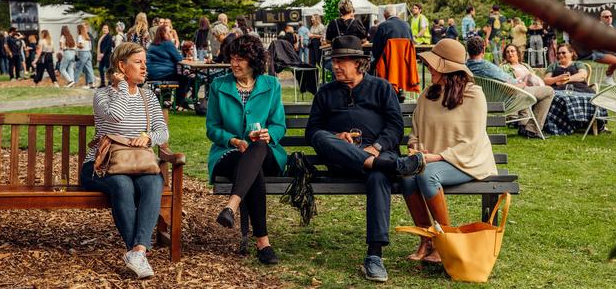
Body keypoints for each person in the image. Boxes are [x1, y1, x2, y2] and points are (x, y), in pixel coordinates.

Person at [305, 35, 425, 283]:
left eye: (342, 61)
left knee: (378, 173)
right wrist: (337, 136)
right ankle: (392, 166)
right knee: (322, 137)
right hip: (342, 161)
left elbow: (395, 127)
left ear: (359, 63)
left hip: (380, 156)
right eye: (334, 61)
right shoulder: (325, 93)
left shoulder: (381, 87)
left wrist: (376, 148)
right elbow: (312, 131)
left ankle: (374, 256)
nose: (335, 66)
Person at [401, 38, 498, 263]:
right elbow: (416, 128)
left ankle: (446, 240)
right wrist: (414, 147)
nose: (428, 67)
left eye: (433, 64)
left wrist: (437, 156)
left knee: (427, 174)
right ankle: (427, 239)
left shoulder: (474, 95)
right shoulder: (429, 94)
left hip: (467, 161)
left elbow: (472, 141)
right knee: (406, 175)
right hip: (430, 159)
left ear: (448, 69)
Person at [80, 42, 168, 279]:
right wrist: (120, 87)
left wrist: (148, 138)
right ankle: (137, 250)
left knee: (154, 182)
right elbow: (116, 116)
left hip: (138, 164)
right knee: (121, 184)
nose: (144, 68)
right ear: (121, 66)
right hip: (101, 167)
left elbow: (163, 131)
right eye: (138, 63)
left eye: (145, 63)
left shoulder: (148, 97)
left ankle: (137, 251)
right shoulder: (102, 95)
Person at [207, 34, 286, 265]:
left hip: (266, 151)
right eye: (232, 58)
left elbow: (279, 125)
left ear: (253, 61)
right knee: (253, 171)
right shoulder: (218, 85)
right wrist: (233, 141)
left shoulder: (271, 85)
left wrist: (269, 134)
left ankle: (231, 205)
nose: (234, 63)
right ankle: (263, 243)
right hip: (229, 153)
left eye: (240, 59)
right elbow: (212, 128)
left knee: (258, 147)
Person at [466, 36, 554, 139]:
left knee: (524, 92)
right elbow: (512, 86)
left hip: (485, 101)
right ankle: (532, 129)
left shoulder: (466, 67)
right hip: (507, 99)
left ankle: (523, 125)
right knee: (549, 91)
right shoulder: (487, 67)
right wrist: (523, 84)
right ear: (483, 49)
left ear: (468, 50)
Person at [147, 25, 189, 111]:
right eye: (169, 32)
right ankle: (178, 104)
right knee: (185, 78)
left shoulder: (152, 44)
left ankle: (169, 101)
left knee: (180, 77)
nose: (171, 33)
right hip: (164, 74)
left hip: (152, 75)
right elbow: (179, 58)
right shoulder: (167, 43)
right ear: (164, 33)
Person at [371, 4, 413, 69]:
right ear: (396, 14)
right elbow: (411, 46)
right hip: (405, 64)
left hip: (387, 65)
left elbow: (375, 50)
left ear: (384, 15)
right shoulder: (407, 25)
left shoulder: (382, 26)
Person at [593, 10, 616, 85]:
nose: (609, 18)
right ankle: (608, 76)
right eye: (606, 17)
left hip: (613, 53)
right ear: (601, 18)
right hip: (599, 53)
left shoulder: (611, 27)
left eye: (610, 16)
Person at [75, 24, 96, 89]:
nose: (76, 30)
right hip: (88, 53)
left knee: (78, 68)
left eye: (77, 29)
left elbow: (81, 46)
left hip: (83, 53)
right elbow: (90, 47)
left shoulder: (80, 36)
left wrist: (76, 45)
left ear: (79, 30)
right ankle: (92, 83)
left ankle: (74, 81)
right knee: (90, 69)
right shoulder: (87, 37)